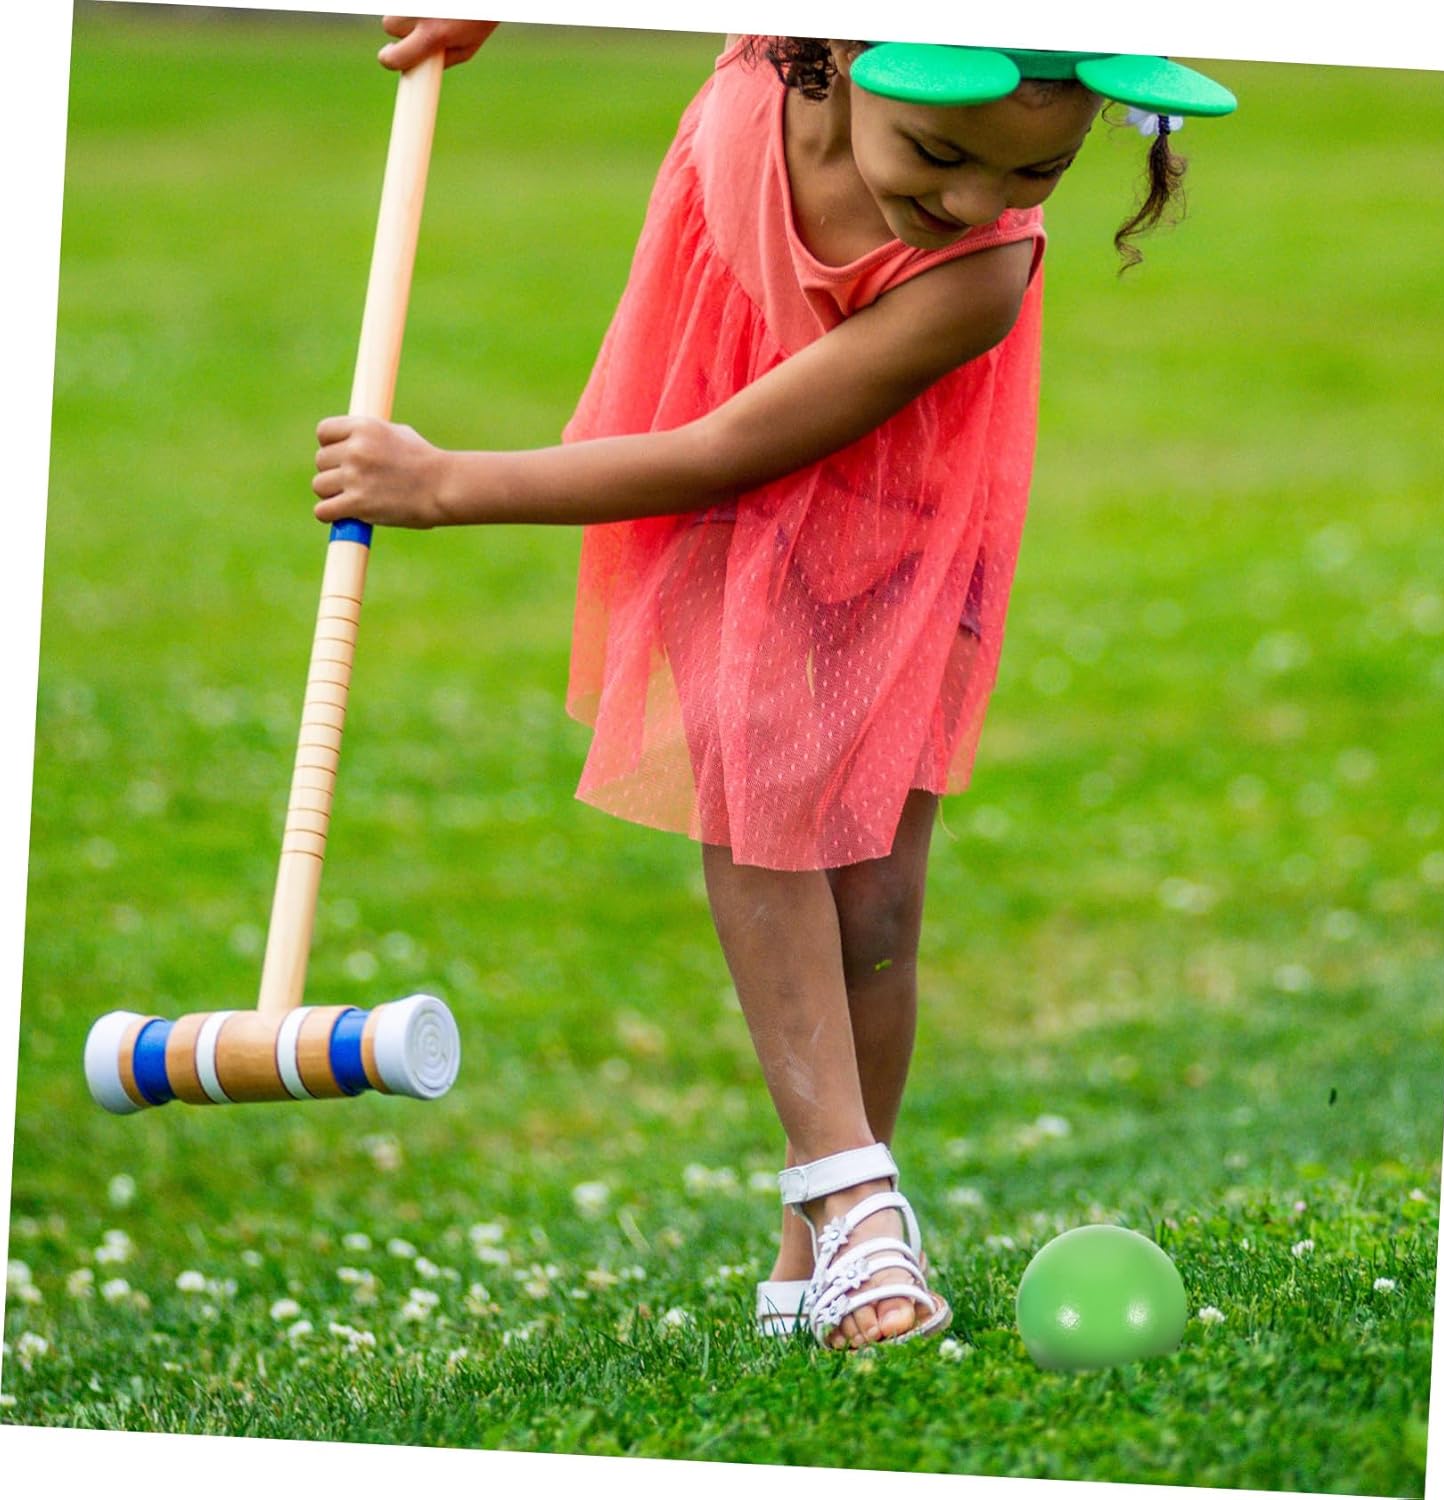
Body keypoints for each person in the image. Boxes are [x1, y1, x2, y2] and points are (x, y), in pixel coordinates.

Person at [313, 17, 1236, 1352]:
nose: (975, 200)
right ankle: (857, 1202)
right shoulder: (770, 52)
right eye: (940, 154)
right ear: (842, 56)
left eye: (1033, 173)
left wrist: (448, 484)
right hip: (717, 459)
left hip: (889, 504)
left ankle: (819, 1248)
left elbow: (725, 450)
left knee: (877, 900)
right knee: (755, 775)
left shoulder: (977, 276)